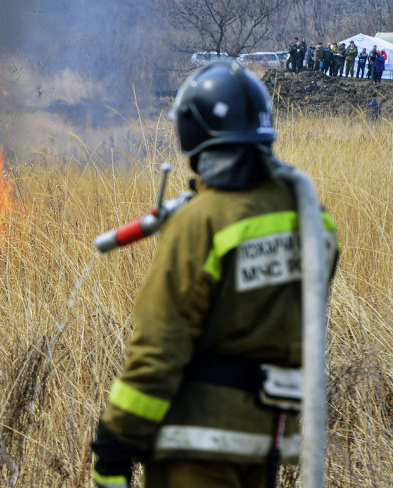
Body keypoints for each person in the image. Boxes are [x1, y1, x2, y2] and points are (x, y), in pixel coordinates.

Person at [90, 60, 338, 488]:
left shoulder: (201, 223)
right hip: (267, 439)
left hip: (195, 444)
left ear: (192, 132)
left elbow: (159, 347)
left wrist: (115, 442)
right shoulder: (309, 216)